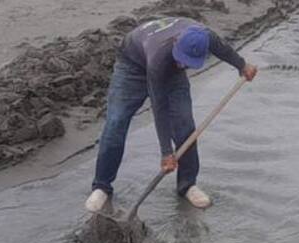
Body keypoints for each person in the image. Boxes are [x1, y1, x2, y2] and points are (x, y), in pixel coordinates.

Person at [84, 17, 258, 213]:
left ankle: (187, 185)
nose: (183, 66)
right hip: (132, 65)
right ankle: (101, 186)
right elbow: (159, 106)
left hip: (170, 67)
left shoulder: (204, 35)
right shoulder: (157, 56)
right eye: (182, 61)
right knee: (116, 121)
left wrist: (242, 65)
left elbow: (222, 49)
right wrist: (166, 152)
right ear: (176, 43)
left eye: (188, 64)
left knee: (185, 125)